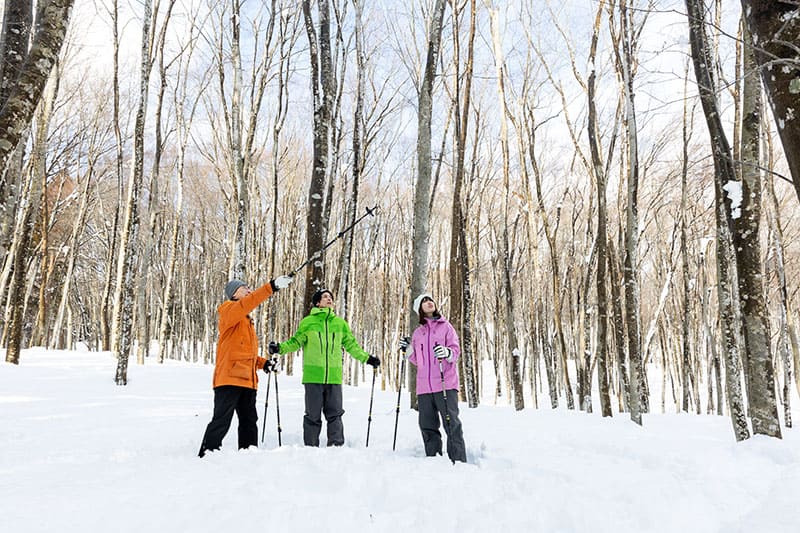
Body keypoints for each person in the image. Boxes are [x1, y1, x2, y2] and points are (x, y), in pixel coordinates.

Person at [269, 288, 380, 447]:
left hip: (334, 377)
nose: (329, 299)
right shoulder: (308, 322)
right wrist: (279, 348)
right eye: (325, 296)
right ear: (317, 302)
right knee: (312, 415)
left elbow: (352, 346)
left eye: (331, 297)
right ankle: (310, 447)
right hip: (313, 376)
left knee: (335, 414)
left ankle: (336, 446)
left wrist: (368, 359)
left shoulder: (340, 324)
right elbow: (295, 342)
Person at [198, 274, 294, 457]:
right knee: (222, 420)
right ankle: (207, 454)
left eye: (249, 288)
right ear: (234, 293)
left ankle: (249, 455)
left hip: (248, 381)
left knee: (249, 421)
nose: (249, 290)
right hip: (229, 379)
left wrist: (264, 364)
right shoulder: (229, 310)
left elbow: (245, 354)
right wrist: (272, 286)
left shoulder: (246, 321)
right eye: (244, 288)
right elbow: (248, 303)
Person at [399, 293, 467, 463]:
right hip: (424, 387)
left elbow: (456, 351)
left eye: (430, 300)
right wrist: (408, 350)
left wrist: (447, 352)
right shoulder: (418, 334)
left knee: (451, 423)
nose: (429, 302)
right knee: (427, 425)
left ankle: (458, 460)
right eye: (424, 301)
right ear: (419, 309)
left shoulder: (446, 327)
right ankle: (433, 459)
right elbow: (418, 360)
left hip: (445, 384)